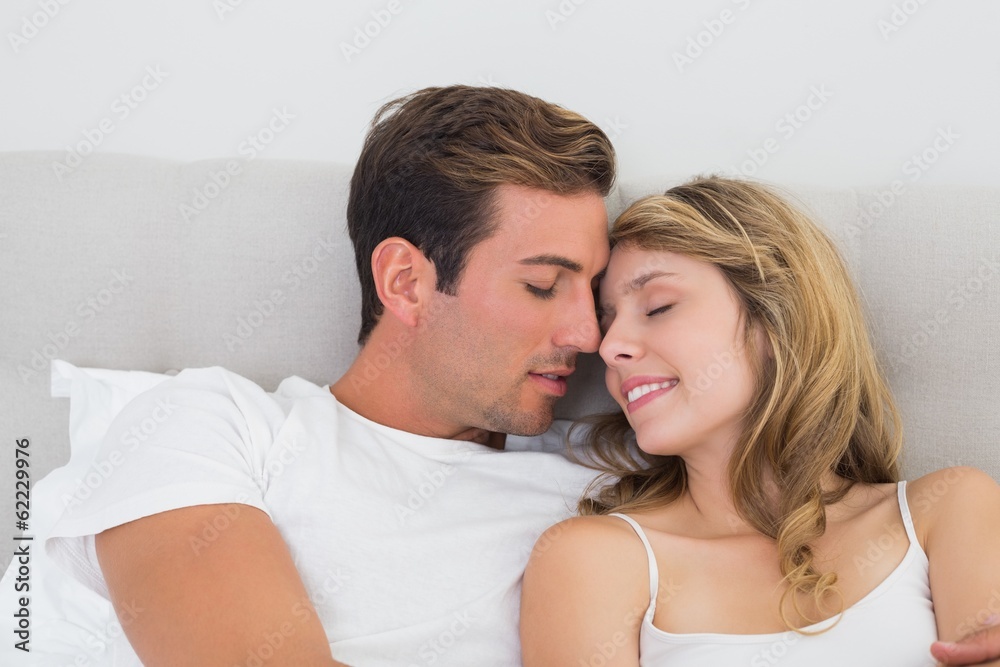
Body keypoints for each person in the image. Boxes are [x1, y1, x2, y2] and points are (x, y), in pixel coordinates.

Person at [43, 85, 615, 666]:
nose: (589, 335)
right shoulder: (213, 426)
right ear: (405, 282)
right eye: (542, 285)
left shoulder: (611, 476)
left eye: (595, 293)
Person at [519, 176, 1000, 666]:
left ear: (776, 317)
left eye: (658, 306)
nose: (608, 346)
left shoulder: (947, 511)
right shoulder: (594, 559)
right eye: (608, 318)